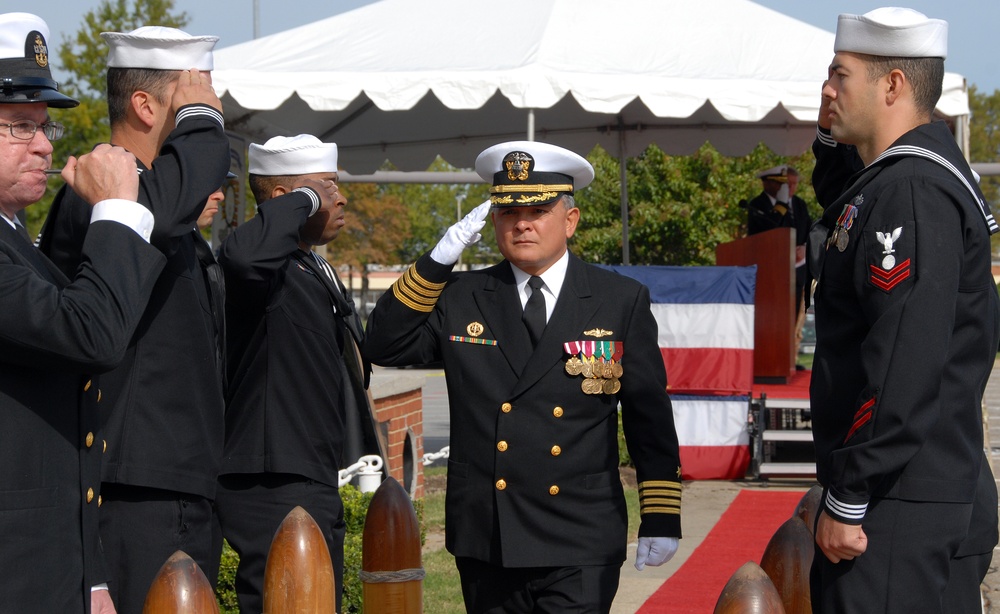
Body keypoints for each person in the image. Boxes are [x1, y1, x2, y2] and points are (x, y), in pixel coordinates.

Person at [363, 141, 682, 613]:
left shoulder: (619, 300)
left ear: (570, 220)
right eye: (510, 211)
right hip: (490, 533)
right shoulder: (462, 297)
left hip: (579, 532)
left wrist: (660, 513)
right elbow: (384, 344)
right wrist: (438, 258)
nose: (523, 222)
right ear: (494, 221)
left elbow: (647, 415)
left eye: (538, 209)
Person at [808, 7, 999, 613]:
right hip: (917, 491)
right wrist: (828, 136)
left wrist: (850, 494)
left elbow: (901, 360)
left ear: (891, 85)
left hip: (896, 505)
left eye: (840, 75)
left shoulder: (910, 190)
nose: (826, 89)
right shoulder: (909, 175)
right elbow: (848, 204)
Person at [0, 13, 193, 612]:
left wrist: (93, 576)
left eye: (43, 127)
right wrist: (116, 210)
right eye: (18, 127)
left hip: (49, 569)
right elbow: (91, 335)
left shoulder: (15, 243)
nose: (43, 144)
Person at [36, 26, 230, 611]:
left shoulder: (154, 203)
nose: (211, 107)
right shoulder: (100, 193)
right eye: (193, 96)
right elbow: (161, 213)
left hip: (174, 485)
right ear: (145, 105)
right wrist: (204, 124)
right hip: (136, 490)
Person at [215, 135, 381, 613]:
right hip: (271, 477)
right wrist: (304, 200)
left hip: (306, 472)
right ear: (284, 201)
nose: (340, 196)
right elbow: (243, 256)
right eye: (326, 186)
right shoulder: (263, 266)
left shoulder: (306, 264)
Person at [746, 164, 812, 358]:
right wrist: (781, 206)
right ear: (768, 184)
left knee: (794, 315)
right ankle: (774, 359)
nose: (789, 189)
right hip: (772, 272)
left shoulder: (799, 204)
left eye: (793, 185)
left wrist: (805, 247)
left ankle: (790, 357)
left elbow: (809, 230)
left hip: (797, 271)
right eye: (784, 184)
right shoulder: (758, 205)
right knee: (774, 318)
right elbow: (766, 234)